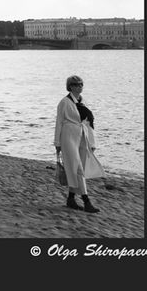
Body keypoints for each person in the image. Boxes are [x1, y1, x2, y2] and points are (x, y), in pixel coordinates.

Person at [54, 75, 102, 213]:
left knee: (79, 167)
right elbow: (59, 122)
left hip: (81, 136)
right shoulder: (64, 102)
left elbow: (88, 123)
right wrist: (57, 142)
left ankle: (70, 198)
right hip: (68, 137)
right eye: (76, 84)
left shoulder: (83, 101)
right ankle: (86, 201)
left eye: (81, 84)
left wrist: (92, 142)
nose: (80, 86)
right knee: (78, 169)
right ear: (70, 86)